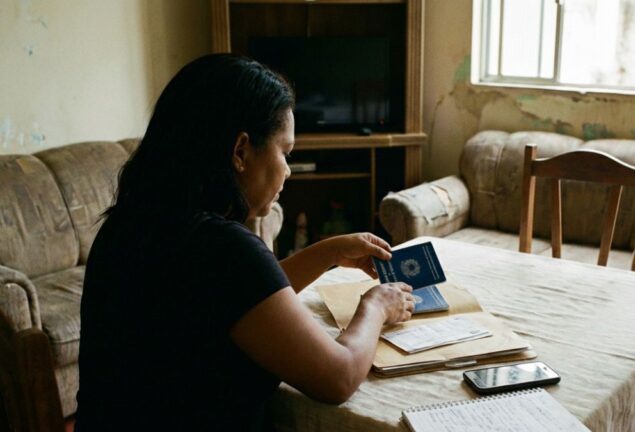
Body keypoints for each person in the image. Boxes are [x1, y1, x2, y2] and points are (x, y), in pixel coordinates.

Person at [75, 54, 415, 431]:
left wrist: (330, 252)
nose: (287, 170)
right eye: (284, 152)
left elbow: (239, 300)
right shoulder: (224, 249)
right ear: (240, 151)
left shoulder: (129, 224)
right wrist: (376, 306)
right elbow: (338, 377)